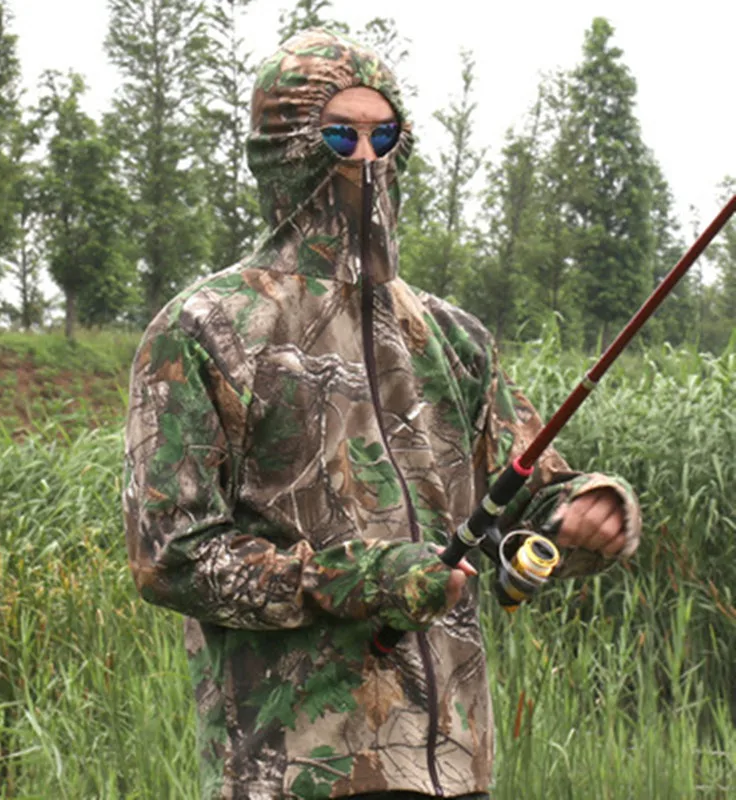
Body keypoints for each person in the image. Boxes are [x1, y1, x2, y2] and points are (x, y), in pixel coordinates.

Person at [123, 28, 641, 800]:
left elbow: (525, 500)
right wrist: (366, 578)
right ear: (283, 147)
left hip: (453, 766)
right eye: (339, 133)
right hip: (292, 770)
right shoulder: (204, 328)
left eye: (383, 133)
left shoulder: (454, 338)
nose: (367, 155)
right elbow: (170, 556)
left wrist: (585, 516)